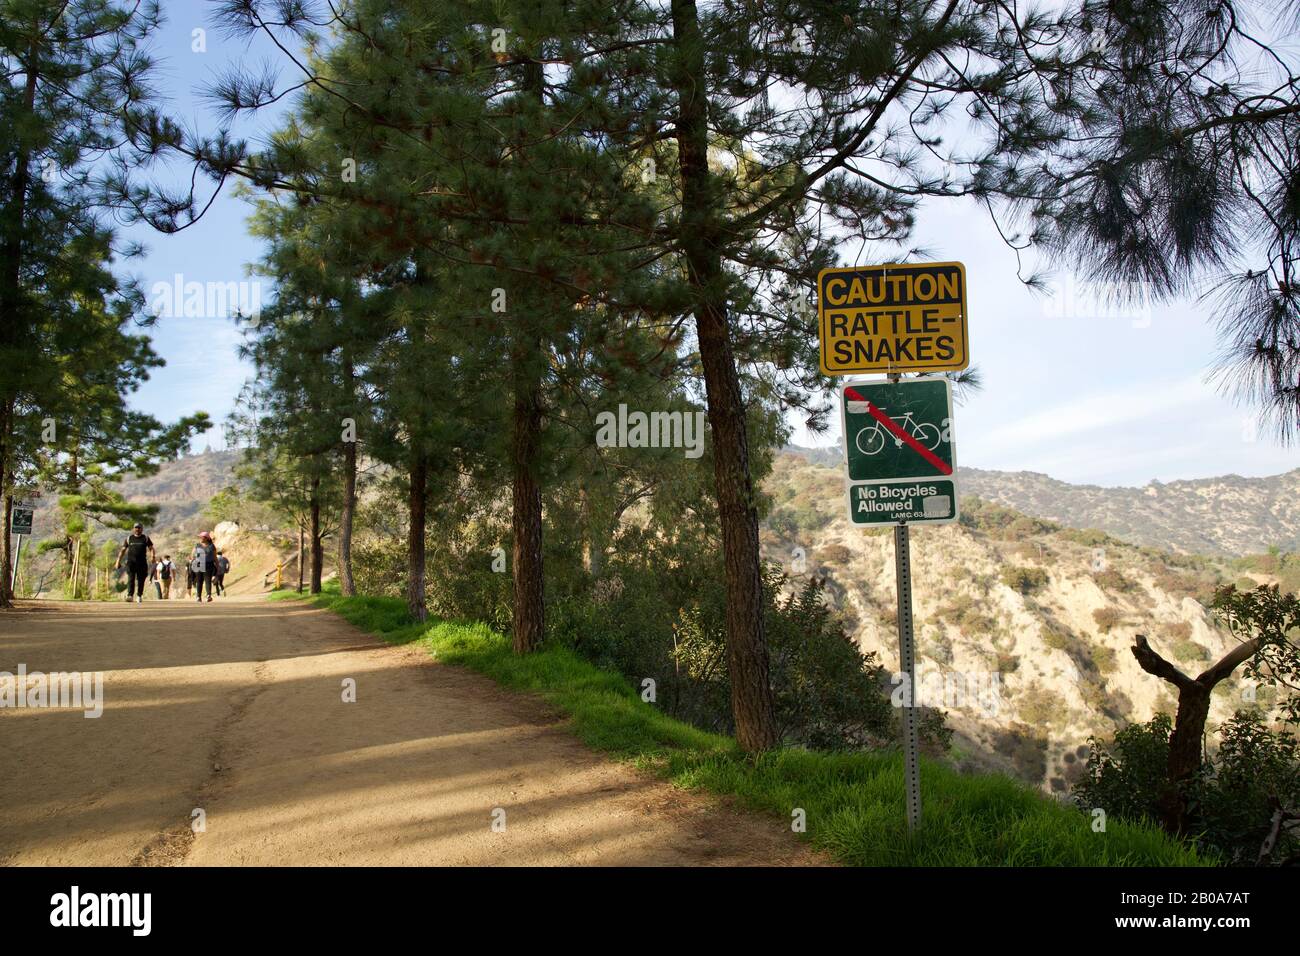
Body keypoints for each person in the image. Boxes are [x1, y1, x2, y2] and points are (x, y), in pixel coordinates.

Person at [114, 523, 155, 604]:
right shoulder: (129, 538)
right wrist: (118, 561)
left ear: (142, 529)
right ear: (133, 529)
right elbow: (123, 550)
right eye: (136, 528)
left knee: (141, 580)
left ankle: (139, 595)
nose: (137, 529)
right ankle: (130, 596)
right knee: (131, 579)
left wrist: (152, 556)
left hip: (142, 563)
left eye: (139, 528)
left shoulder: (146, 538)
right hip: (131, 563)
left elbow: (151, 548)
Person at [190, 531, 218, 603]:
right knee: (199, 581)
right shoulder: (197, 545)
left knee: (208, 580)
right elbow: (192, 555)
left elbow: (215, 557)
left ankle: (209, 595)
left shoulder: (212, 546)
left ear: (206, 538)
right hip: (199, 564)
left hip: (209, 565)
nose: (200, 538)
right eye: (200, 537)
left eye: (201, 537)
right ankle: (198, 596)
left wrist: (217, 567)